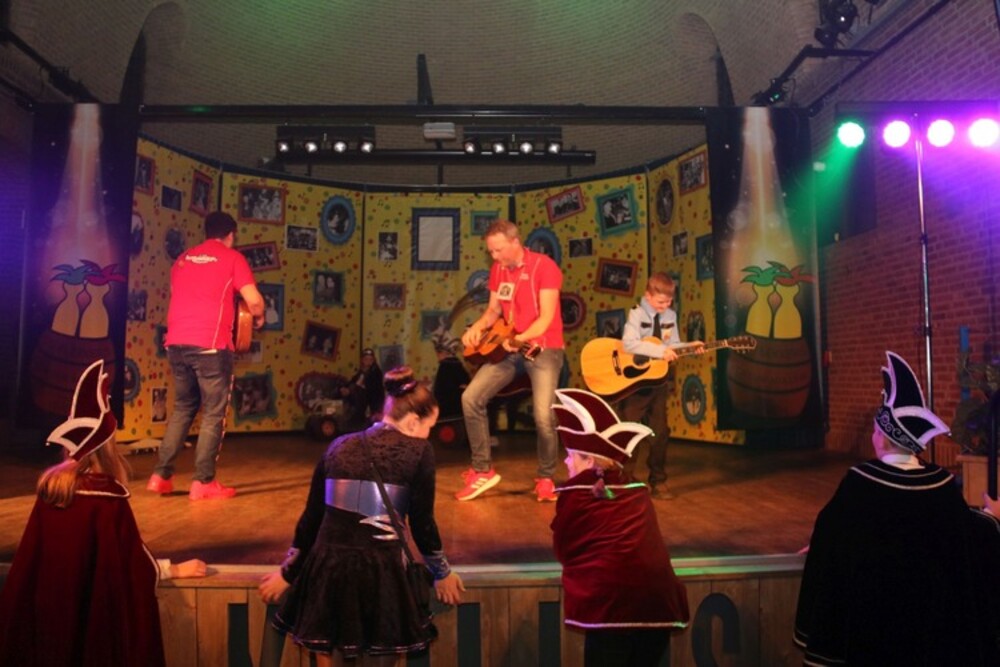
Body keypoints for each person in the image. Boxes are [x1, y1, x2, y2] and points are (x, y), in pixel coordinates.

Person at [794, 351, 1000, 667]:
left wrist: (828, 543)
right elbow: (968, 538)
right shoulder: (941, 486)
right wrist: (993, 517)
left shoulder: (859, 484)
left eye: (875, 431)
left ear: (882, 437)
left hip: (871, 634)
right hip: (928, 639)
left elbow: (831, 531)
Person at [0, 360, 207, 667]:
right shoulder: (106, 498)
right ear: (107, 447)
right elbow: (133, 563)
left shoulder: (51, 491)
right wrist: (173, 570)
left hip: (48, 620)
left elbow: (29, 559)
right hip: (89, 626)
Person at [258, 367, 465, 666]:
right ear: (412, 421)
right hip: (381, 573)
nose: (428, 434)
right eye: (429, 426)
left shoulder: (338, 445)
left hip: (328, 573)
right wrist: (442, 573)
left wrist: (287, 574)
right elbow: (423, 524)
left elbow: (311, 520)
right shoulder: (419, 451)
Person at [550, 388, 689, 667]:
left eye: (571, 455)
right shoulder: (638, 490)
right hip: (657, 605)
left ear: (590, 461)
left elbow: (565, 549)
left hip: (611, 610)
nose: (566, 461)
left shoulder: (576, 494)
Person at [147, 211, 265, 500]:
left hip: (176, 343)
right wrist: (259, 317)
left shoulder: (183, 259)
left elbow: (180, 295)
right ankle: (203, 482)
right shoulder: (233, 258)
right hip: (210, 345)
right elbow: (254, 302)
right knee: (213, 413)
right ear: (231, 235)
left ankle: (160, 476)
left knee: (183, 408)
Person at [457, 219, 565, 502]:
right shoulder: (499, 270)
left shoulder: (544, 267)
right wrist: (477, 327)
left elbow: (546, 319)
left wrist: (520, 338)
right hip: (510, 348)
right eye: (491, 251)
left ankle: (546, 478)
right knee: (471, 398)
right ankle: (482, 470)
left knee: (543, 416)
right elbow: (494, 310)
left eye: (498, 250)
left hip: (544, 347)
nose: (494, 256)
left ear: (515, 242)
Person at [617, 272, 703, 498]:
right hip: (636, 383)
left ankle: (658, 480)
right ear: (648, 295)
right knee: (630, 430)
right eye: (660, 302)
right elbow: (629, 344)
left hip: (658, 382)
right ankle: (624, 479)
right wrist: (659, 351)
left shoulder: (670, 316)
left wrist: (689, 346)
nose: (665, 306)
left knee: (660, 432)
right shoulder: (636, 314)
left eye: (669, 301)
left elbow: (672, 345)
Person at [340, 347, 385, 425]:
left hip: (373, 402)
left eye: (370, 360)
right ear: (362, 360)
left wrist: (356, 388)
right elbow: (354, 380)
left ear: (373, 360)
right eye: (366, 359)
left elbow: (372, 388)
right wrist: (345, 387)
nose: (368, 362)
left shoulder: (376, 372)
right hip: (363, 401)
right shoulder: (362, 372)